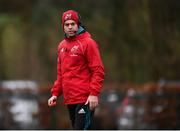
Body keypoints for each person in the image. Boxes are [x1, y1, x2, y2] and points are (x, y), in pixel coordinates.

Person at [48, 10, 105, 130]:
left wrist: (94, 94)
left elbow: (98, 70)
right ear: (63, 26)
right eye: (66, 24)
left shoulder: (88, 43)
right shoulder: (61, 46)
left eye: (72, 24)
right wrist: (55, 93)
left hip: (85, 99)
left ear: (78, 24)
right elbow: (61, 74)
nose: (70, 27)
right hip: (70, 99)